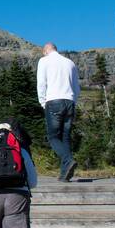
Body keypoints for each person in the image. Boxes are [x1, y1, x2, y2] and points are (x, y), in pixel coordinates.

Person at [36, 42, 80, 182]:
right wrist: (74, 101)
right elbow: (76, 87)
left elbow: (41, 83)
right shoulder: (70, 63)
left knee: (53, 137)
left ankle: (68, 160)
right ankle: (64, 175)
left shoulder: (44, 61)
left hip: (54, 101)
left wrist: (43, 102)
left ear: (46, 50)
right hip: (70, 102)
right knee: (65, 137)